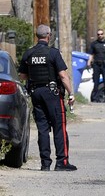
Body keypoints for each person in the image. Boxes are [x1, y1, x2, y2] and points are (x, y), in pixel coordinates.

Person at [19, 24, 77, 171]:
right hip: (52, 93)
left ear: (37, 36)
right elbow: (63, 76)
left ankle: (45, 163)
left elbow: (23, 75)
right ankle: (62, 162)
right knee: (59, 127)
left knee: (43, 129)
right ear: (48, 35)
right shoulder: (53, 53)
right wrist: (71, 93)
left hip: (36, 93)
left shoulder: (29, 54)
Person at [87, 29, 105, 102]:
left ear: (103, 34)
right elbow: (91, 55)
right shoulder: (94, 44)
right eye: (98, 34)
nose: (100, 35)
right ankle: (95, 98)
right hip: (96, 65)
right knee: (96, 82)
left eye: (101, 34)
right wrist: (88, 63)